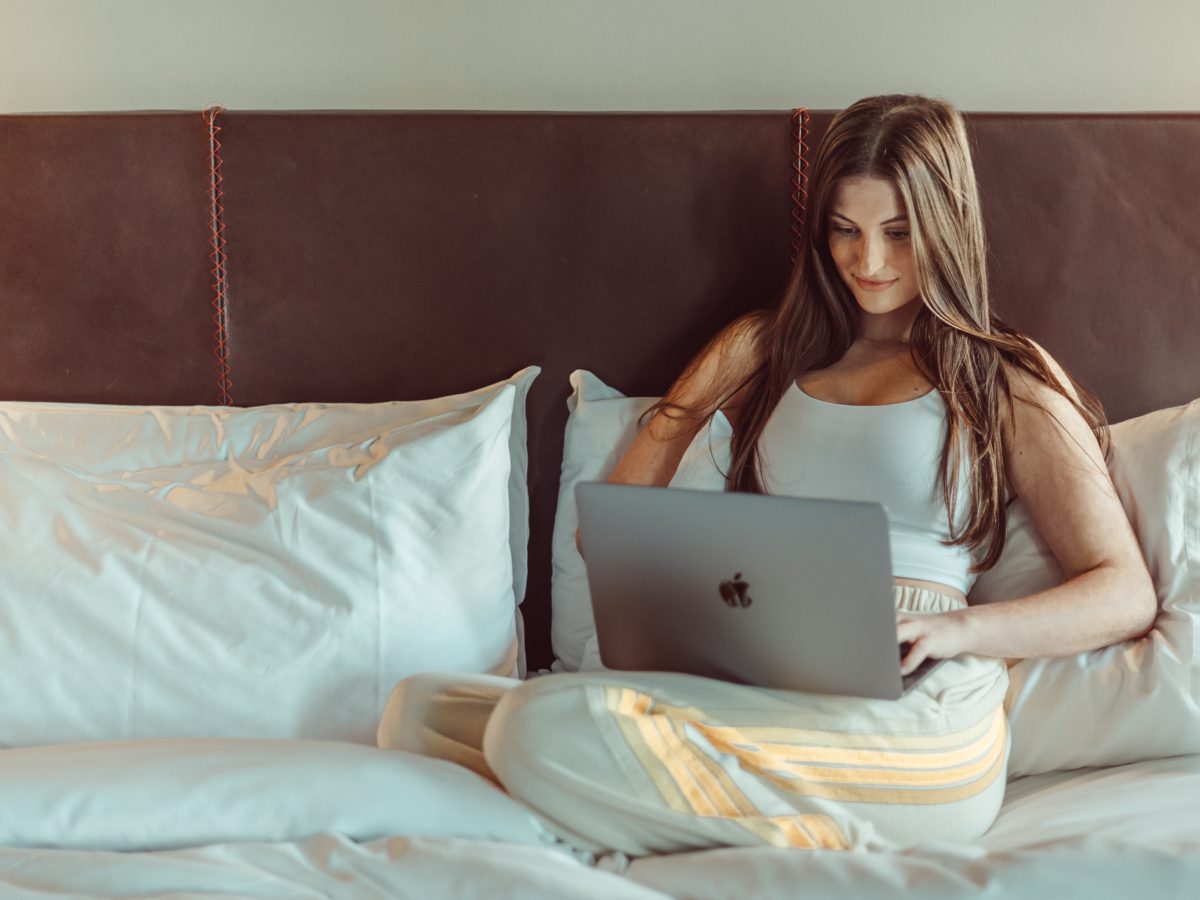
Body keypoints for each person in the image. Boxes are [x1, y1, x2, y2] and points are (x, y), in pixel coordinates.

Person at [377, 94, 1157, 856]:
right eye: (845, 232)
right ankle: (700, 823)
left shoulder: (1000, 378)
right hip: (765, 677)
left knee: (532, 728)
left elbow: (1122, 590)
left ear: (947, 228)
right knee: (420, 712)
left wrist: (959, 631)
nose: (869, 262)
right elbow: (604, 532)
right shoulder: (778, 355)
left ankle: (604, 810)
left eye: (898, 231)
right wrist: (689, 402)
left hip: (917, 707)